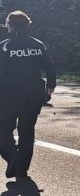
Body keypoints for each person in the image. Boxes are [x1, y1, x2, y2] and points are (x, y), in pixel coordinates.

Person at [0, 11, 56, 180]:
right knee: (26, 130)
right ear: (27, 24)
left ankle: (13, 158)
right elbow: (50, 67)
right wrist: (50, 86)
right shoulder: (38, 45)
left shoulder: (5, 46)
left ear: (9, 25)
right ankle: (22, 168)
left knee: (3, 130)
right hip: (33, 94)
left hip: (8, 95)